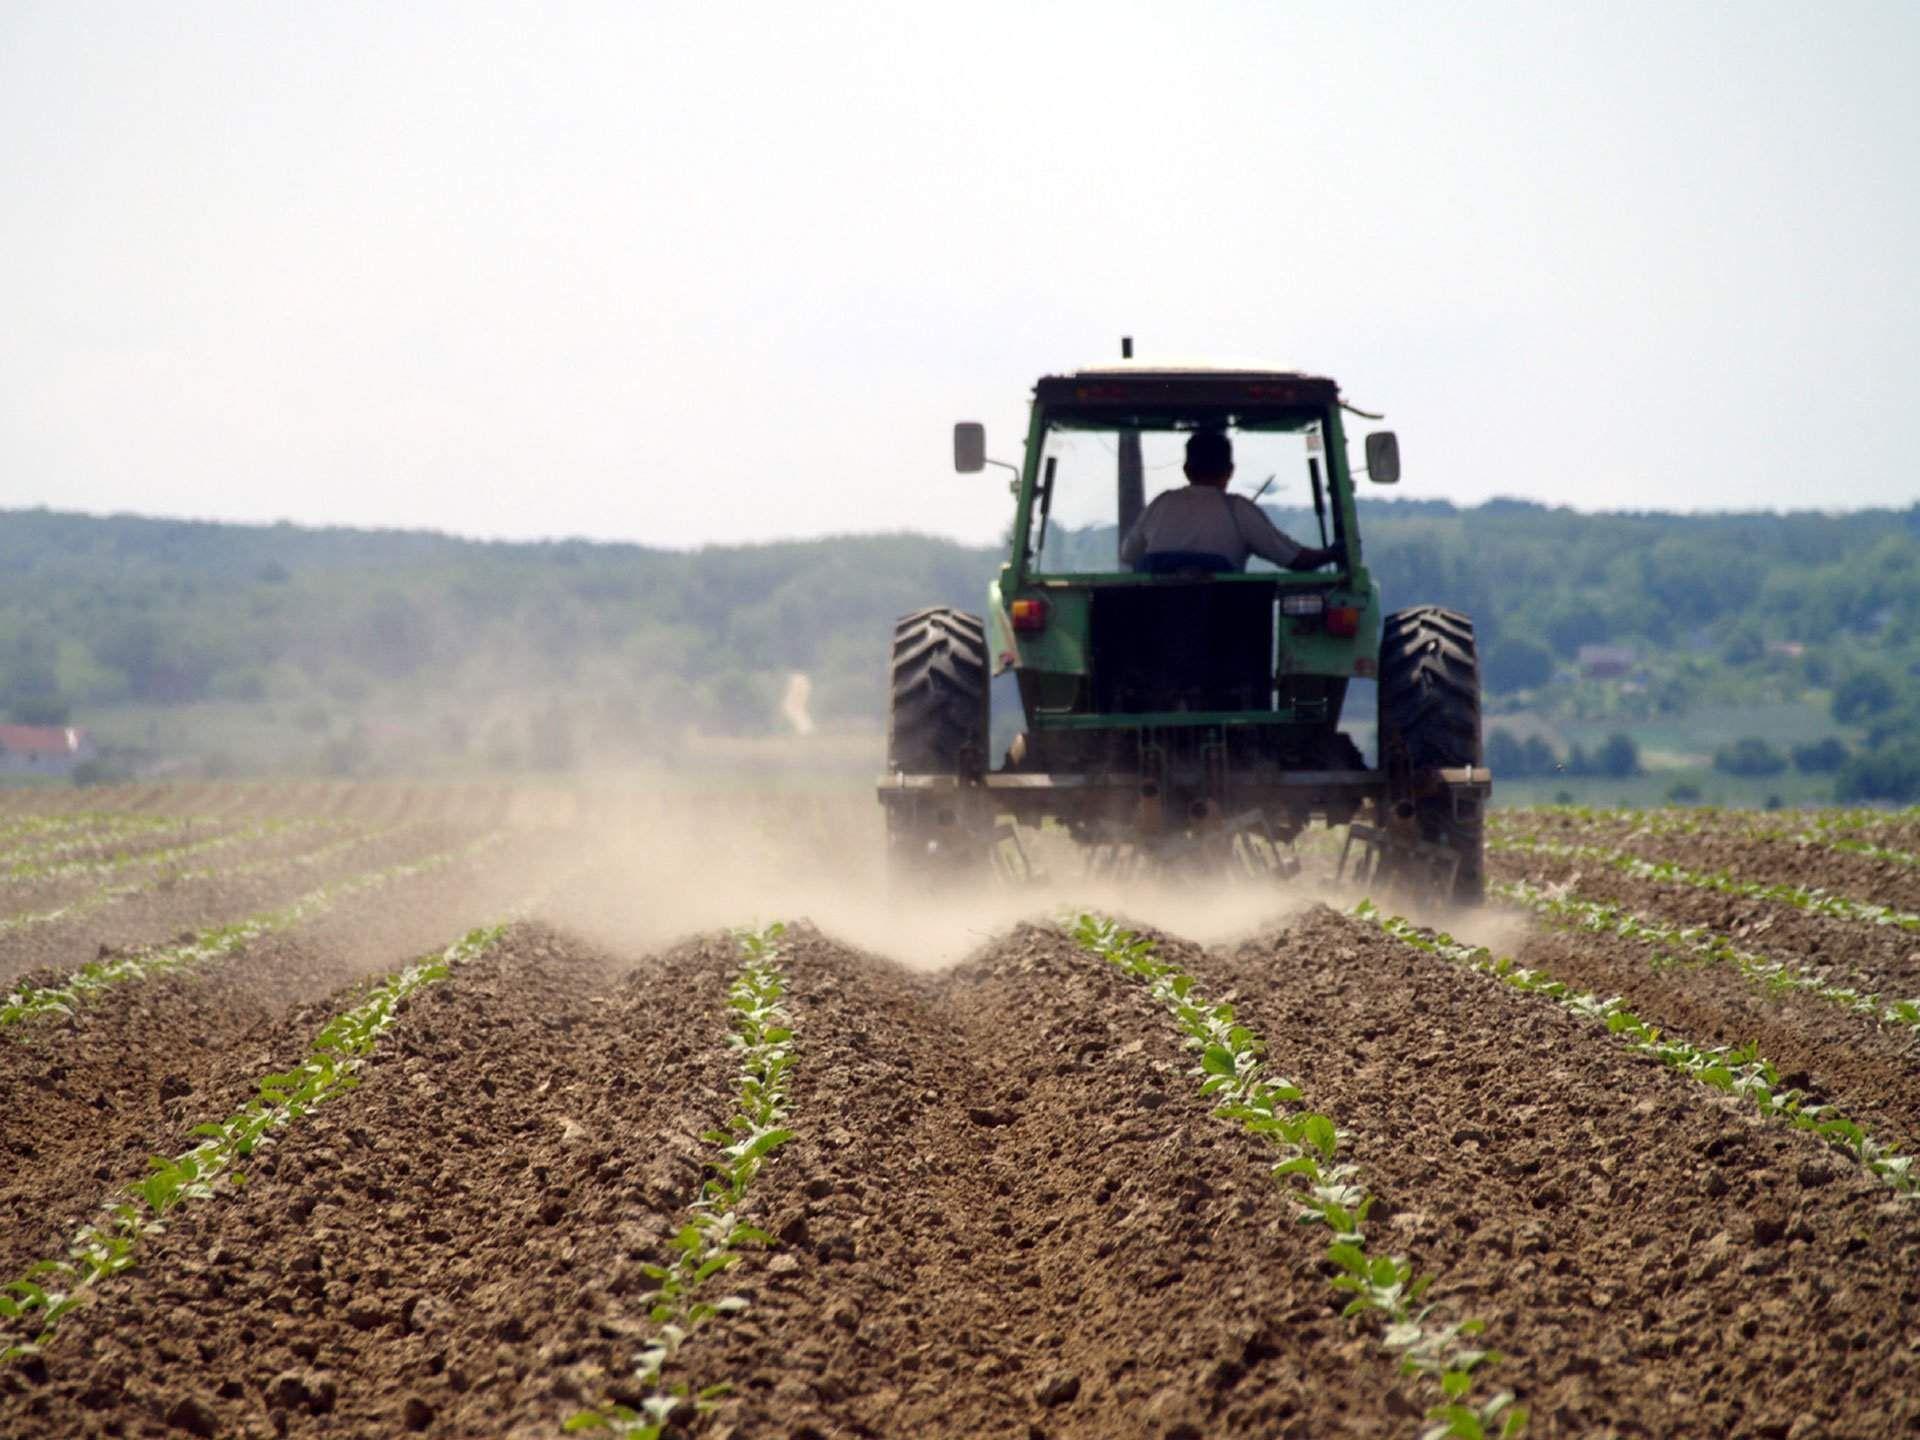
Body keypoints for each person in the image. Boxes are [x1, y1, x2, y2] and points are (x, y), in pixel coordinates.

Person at [1119, 430, 1336, 573]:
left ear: (1186, 470)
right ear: (1230, 471)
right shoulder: (1239, 510)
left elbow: (1128, 554)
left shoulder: (1162, 503)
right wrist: (1334, 553)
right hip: (1223, 627)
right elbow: (1295, 559)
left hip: (1154, 625)